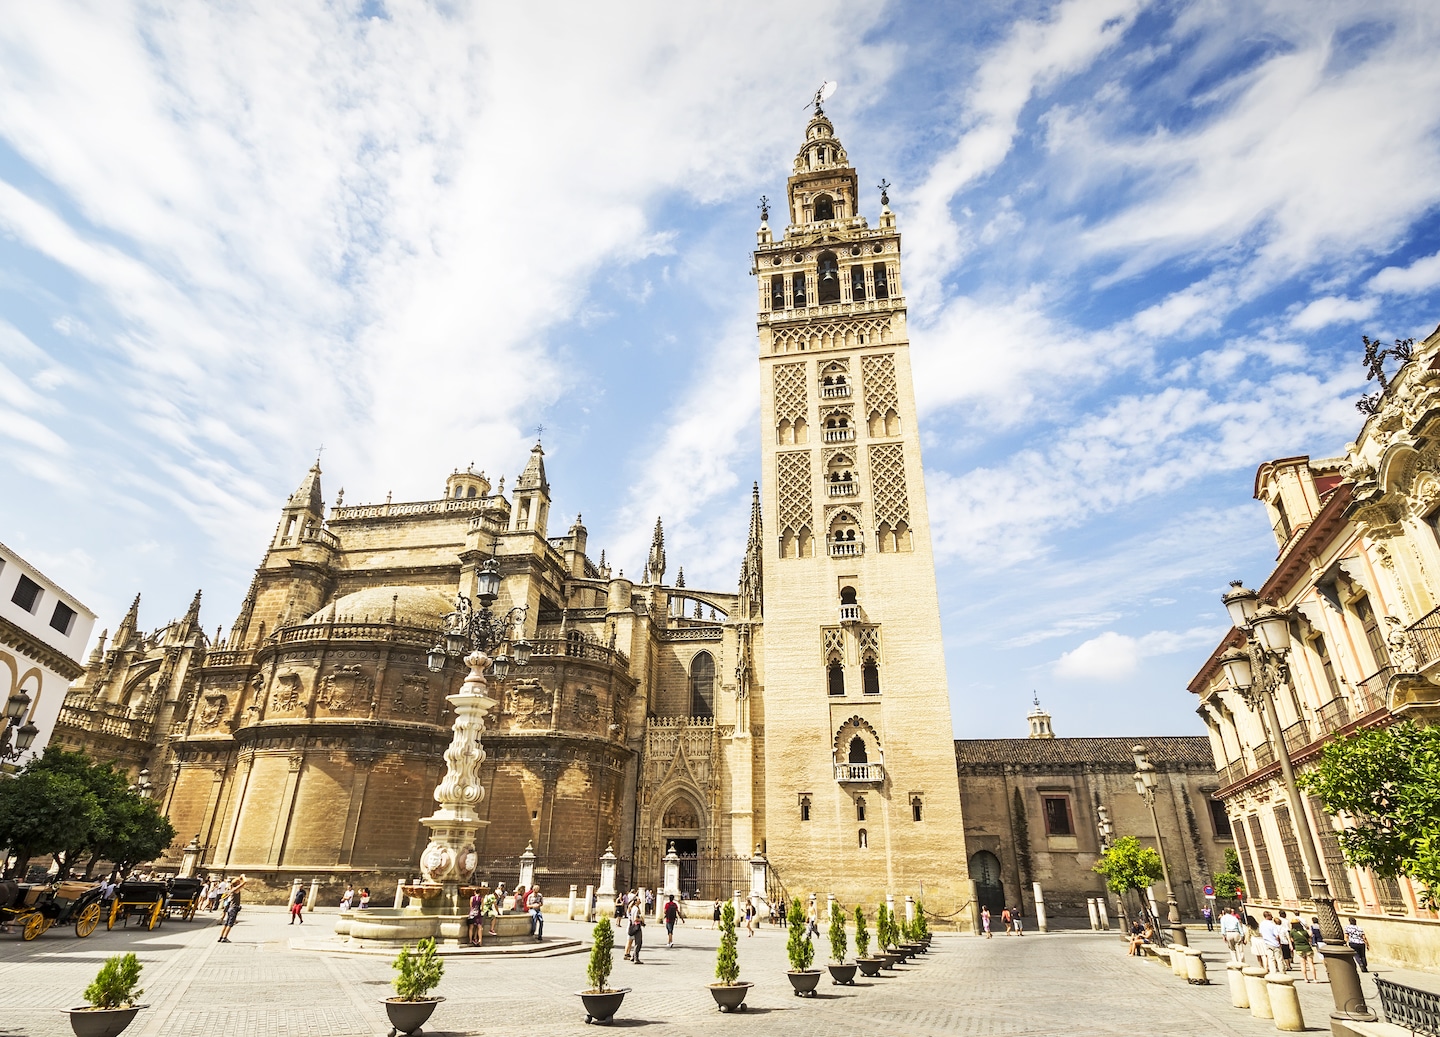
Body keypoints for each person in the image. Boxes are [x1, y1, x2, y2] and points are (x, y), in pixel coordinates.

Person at [217, 875, 247, 943]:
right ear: (237, 884)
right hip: (233, 909)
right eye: (239, 882)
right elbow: (245, 882)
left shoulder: (232, 889)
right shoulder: (236, 889)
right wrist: (243, 876)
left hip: (230, 908)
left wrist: (239, 878)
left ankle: (221, 937)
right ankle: (225, 938)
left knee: (226, 923)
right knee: (230, 924)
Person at [625, 896, 645, 964]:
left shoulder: (634, 908)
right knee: (638, 943)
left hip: (634, 926)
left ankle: (633, 956)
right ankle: (636, 958)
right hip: (636, 926)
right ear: (635, 901)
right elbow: (635, 919)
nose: (640, 900)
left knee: (637, 942)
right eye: (639, 899)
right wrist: (641, 920)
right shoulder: (636, 909)